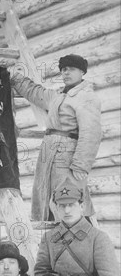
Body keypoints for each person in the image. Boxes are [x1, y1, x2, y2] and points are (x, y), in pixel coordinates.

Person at [10, 54, 101, 221]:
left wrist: (81, 165)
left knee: (68, 195)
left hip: (68, 155)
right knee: (46, 194)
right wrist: (16, 79)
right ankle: (51, 235)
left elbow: (91, 133)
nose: (66, 73)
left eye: (71, 69)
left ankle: (77, 237)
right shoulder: (57, 95)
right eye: (64, 69)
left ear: (82, 72)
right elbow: (35, 93)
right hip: (48, 152)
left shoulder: (86, 98)